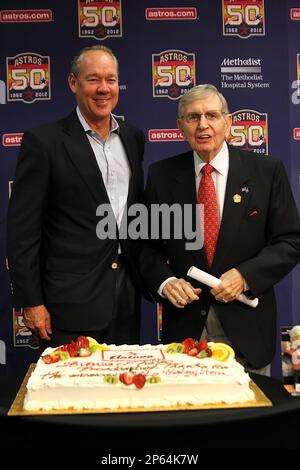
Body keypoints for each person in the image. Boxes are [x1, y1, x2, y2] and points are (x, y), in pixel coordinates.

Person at [140, 83, 300, 375]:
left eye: (212, 115)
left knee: (251, 419)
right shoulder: (162, 176)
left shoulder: (266, 171)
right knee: (189, 418)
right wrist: (165, 283)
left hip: (248, 329)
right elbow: (148, 247)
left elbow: (290, 241)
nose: (203, 125)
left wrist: (245, 276)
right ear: (180, 126)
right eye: (193, 117)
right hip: (185, 331)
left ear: (228, 122)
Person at [7, 45, 148, 347]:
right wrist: (31, 302)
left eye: (110, 80)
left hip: (127, 294)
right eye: (93, 79)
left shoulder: (133, 138)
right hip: (68, 301)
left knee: (124, 391)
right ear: (73, 83)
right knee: (73, 391)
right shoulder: (44, 141)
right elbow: (22, 231)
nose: (103, 89)